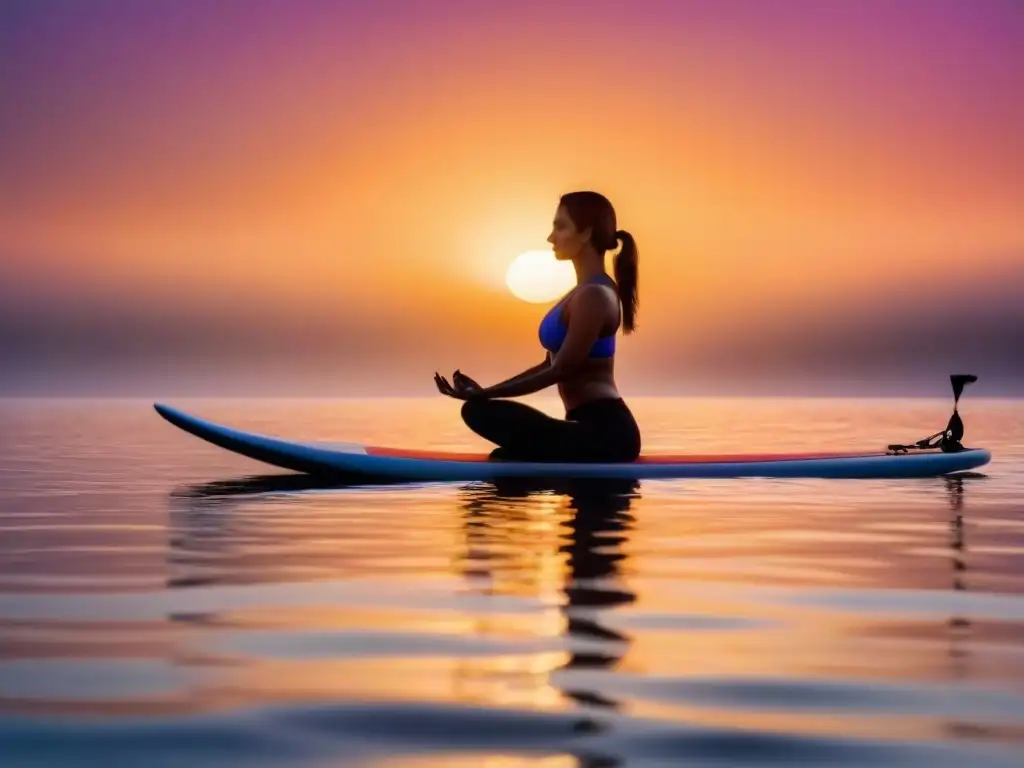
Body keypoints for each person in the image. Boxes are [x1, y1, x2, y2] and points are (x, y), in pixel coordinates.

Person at [434, 191, 642, 463]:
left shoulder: (595, 297)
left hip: (606, 433)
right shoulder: (581, 293)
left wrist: (487, 394)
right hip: (583, 426)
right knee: (483, 416)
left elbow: (561, 370)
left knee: (478, 412)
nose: (551, 237)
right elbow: (550, 364)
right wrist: (485, 391)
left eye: (560, 226)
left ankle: (531, 455)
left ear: (586, 233)